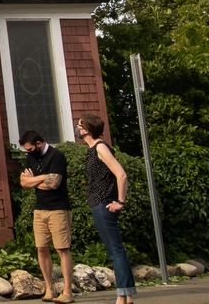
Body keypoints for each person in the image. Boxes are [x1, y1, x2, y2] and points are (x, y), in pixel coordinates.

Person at [77, 114, 136, 304]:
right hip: (98, 203)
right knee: (116, 250)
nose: (78, 128)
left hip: (104, 204)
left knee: (115, 250)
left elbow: (121, 174)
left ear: (87, 129)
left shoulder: (100, 147)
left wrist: (120, 201)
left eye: (80, 125)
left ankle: (122, 296)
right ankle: (126, 296)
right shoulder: (93, 149)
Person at [20, 129, 74, 303]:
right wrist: (43, 177)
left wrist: (34, 181)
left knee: (62, 249)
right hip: (39, 210)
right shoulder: (31, 157)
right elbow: (23, 182)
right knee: (41, 249)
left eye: (29, 149)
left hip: (58, 208)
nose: (28, 153)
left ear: (39, 143)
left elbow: (54, 184)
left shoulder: (56, 156)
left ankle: (67, 292)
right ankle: (49, 289)